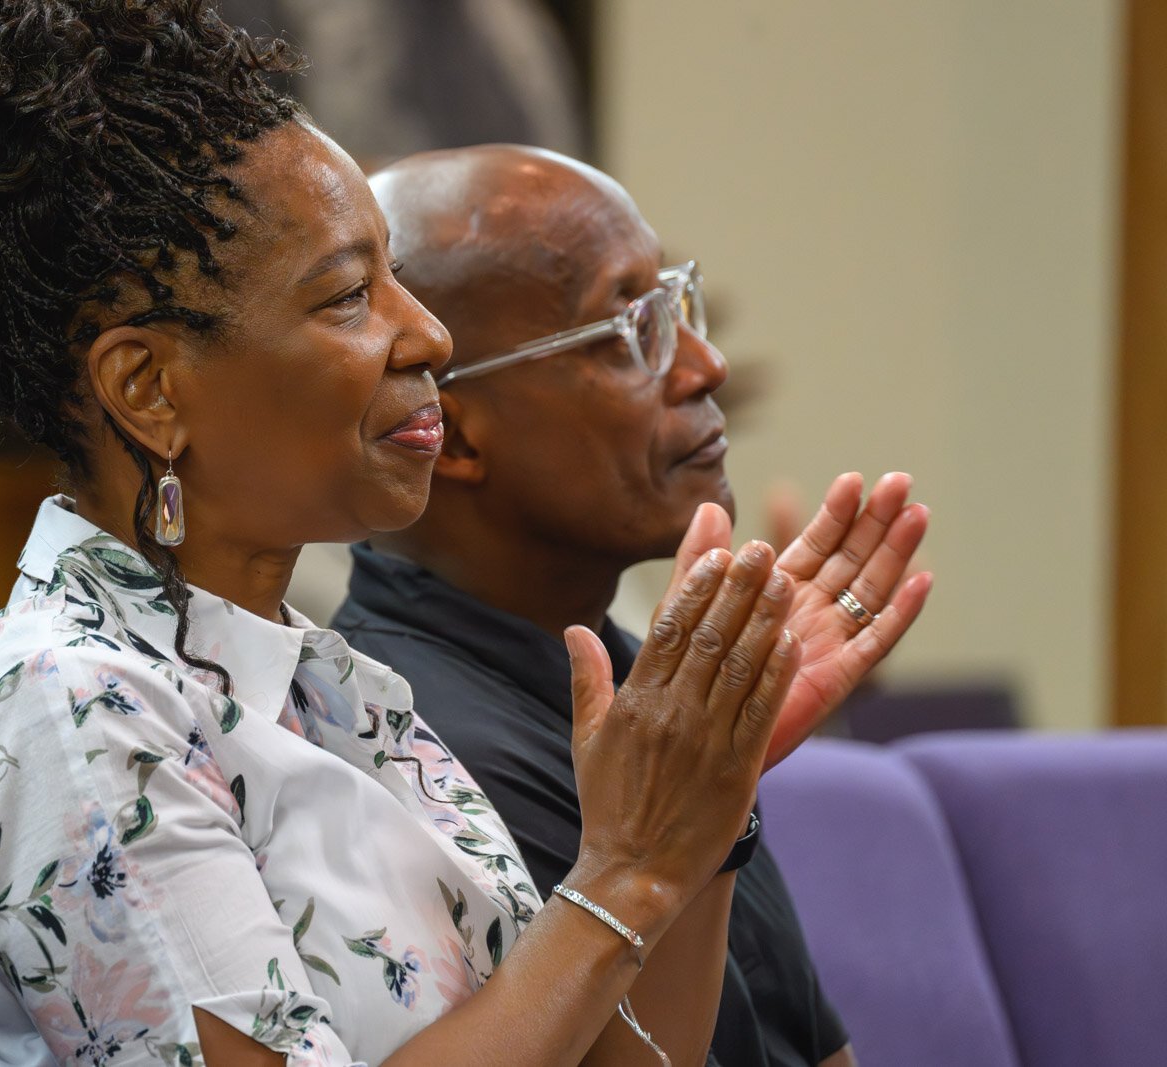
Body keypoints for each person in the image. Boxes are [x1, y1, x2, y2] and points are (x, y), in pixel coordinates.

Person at [0, 4, 849, 1064]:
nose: (427, 334)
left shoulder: (329, 682)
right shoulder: (78, 709)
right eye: (346, 297)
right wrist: (625, 872)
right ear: (148, 388)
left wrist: (699, 814)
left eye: (398, 280)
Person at [333, 145, 935, 1066]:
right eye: (630, 329)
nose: (705, 364)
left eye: (678, 306)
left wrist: (723, 773)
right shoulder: (398, 737)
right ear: (451, 433)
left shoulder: (642, 687)